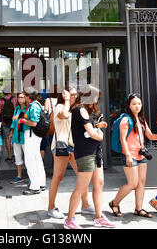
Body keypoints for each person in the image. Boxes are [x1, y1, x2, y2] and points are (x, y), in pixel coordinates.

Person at [64, 85, 114, 229]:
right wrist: (100, 134)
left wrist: (97, 126)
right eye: (95, 96)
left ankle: (99, 217)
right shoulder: (81, 110)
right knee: (81, 187)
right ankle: (69, 220)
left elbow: (87, 129)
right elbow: (91, 134)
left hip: (94, 152)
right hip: (86, 153)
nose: (97, 100)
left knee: (99, 184)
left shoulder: (85, 111)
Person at [108, 93, 157, 218]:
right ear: (129, 105)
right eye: (134, 104)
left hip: (141, 155)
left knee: (141, 183)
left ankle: (138, 209)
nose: (137, 106)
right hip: (130, 155)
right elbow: (123, 139)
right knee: (132, 183)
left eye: (139, 103)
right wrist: (128, 155)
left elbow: (149, 135)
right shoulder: (125, 119)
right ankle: (114, 203)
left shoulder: (141, 119)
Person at [47, 88, 95, 219]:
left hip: (73, 146)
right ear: (63, 95)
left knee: (82, 176)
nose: (74, 97)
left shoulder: (74, 108)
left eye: (75, 94)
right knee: (58, 176)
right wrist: (67, 100)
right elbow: (64, 115)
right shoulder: (60, 106)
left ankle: (85, 205)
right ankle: (51, 207)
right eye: (70, 94)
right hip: (61, 146)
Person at [19, 87, 47, 195]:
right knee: (37, 158)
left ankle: (35, 186)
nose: (24, 97)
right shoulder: (36, 104)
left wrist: (24, 121)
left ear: (28, 96)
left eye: (24, 95)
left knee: (30, 160)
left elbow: (34, 123)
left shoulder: (33, 106)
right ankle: (40, 183)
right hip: (34, 135)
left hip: (32, 135)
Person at [9, 92, 27, 184]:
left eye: (22, 97)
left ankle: (32, 177)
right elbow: (13, 122)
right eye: (19, 97)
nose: (20, 99)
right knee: (17, 156)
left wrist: (19, 116)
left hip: (25, 136)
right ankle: (19, 175)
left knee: (28, 157)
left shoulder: (28, 108)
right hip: (16, 136)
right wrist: (11, 133)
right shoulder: (16, 108)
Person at [0, 88, 17, 161]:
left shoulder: (1, 101)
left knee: (6, 138)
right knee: (14, 136)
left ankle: (9, 155)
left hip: (5, 121)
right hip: (14, 121)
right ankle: (15, 154)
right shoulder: (15, 99)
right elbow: (16, 109)